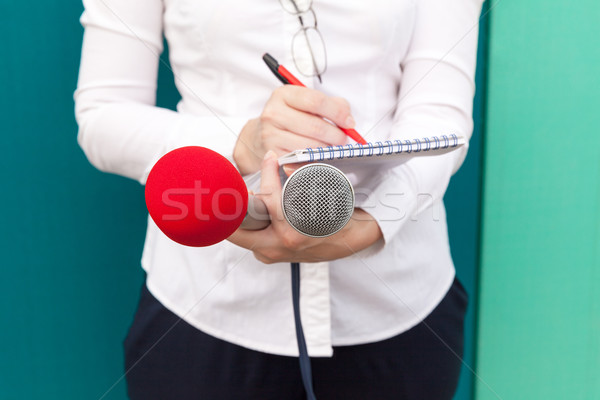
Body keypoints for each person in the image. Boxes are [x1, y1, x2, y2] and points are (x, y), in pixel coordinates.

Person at [75, 0, 483, 398]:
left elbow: (441, 120)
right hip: (204, 311)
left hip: (398, 311)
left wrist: (373, 220)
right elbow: (103, 116)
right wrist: (240, 143)